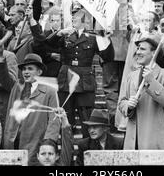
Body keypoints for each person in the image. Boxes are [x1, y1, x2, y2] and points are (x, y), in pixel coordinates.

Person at [47, 8, 114, 137]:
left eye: (76, 16)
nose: (73, 19)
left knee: (86, 115)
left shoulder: (93, 38)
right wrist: (59, 33)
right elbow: (47, 45)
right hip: (66, 79)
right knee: (66, 114)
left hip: (85, 81)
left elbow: (108, 57)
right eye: (72, 17)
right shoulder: (65, 35)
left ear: (85, 21)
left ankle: (87, 144)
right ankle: (66, 145)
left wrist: (107, 39)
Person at [0, 51, 60, 165]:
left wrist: (48, 143)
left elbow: (54, 120)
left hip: (36, 141)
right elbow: (3, 76)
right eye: (24, 69)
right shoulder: (17, 86)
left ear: (39, 72)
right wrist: (0, 58)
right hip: (13, 141)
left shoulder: (49, 91)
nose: (25, 72)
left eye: (30, 69)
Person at [118, 35, 164, 150]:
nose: (138, 52)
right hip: (132, 142)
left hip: (154, 142)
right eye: (138, 48)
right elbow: (122, 102)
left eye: (142, 49)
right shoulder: (131, 75)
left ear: (154, 52)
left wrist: (151, 81)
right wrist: (128, 106)